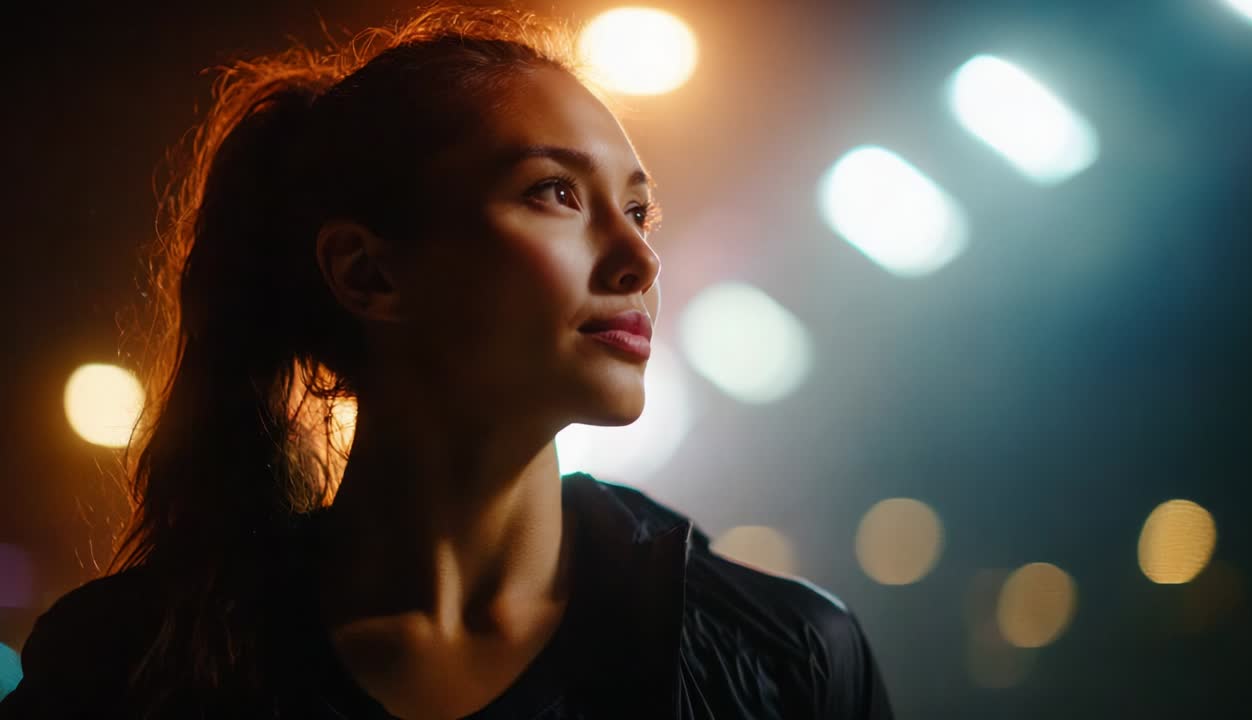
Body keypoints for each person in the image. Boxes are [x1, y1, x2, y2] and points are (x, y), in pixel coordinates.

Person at [0, 4, 892, 718]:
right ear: (368, 271)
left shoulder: (792, 659)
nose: (640, 260)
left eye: (639, 211)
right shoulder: (122, 667)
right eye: (556, 192)